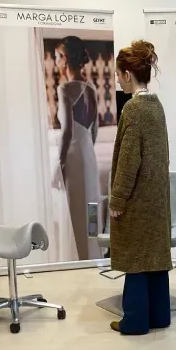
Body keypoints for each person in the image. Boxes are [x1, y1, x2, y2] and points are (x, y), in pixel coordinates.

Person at [109, 40, 173, 335]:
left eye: (118, 74)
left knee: (135, 260)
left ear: (127, 74)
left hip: (137, 199)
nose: (117, 79)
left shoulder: (133, 109)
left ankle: (133, 321)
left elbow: (128, 160)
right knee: (155, 260)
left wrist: (118, 199)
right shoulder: (156, 106)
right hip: (157, 199)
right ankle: (159, 316)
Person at [51, 36, 101, 261]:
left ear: (64, 58)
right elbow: (95, 130)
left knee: (74, 209)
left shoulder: (65, 89)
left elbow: (67, 131)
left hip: (73, 154)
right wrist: (87, 149)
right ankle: (90, 255)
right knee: (89, 206)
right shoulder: (91, 87)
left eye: (57, 57)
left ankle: (77, 259)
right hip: (87, 153)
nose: (55, 62)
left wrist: (60, 163)